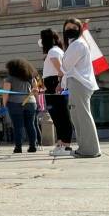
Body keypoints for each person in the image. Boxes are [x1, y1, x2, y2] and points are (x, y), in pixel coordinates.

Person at [60, 18, 101, 158]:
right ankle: (85, 148)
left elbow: (65, 66)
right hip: (78, 83)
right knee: (78, 117)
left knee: (82, 117)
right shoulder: (75, 44)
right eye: (67, 28)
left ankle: (90, 150)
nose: (69, 30)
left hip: (79, 83)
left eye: (73, 27)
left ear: (79, 29)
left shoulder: (77, 44)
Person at [40, 29, 72, 157]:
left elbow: (61, 70)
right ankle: (61, 144)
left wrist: (59, 84)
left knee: (61, 115)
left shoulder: (53, 51)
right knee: (57, 115)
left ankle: (65, 144)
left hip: (54, 84)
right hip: (52, 83)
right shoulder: (56, 51)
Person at [2, 59, 39, 153]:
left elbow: (6, 93)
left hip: (14, 103)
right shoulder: (30, 77)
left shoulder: (9, 78)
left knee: (18, 126)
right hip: (31, 102)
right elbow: (36, 91)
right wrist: (37, 102)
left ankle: (18, 147)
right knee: (31, 125)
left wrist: (4, 103)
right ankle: (33, 145)